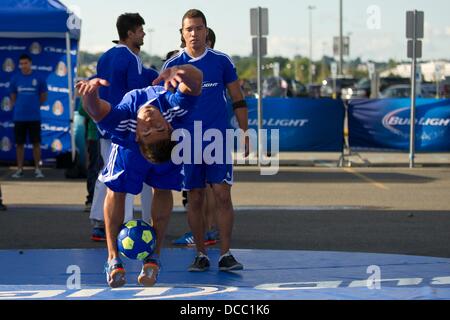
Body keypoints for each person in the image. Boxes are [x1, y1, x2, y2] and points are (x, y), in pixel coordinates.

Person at [76, 63, 203, 288]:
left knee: (162, 188)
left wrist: (90, 97)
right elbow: (196, 80)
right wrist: (90, 95)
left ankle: (153, 258)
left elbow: (97, 110)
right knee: (117, 191)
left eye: (150, 129)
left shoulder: (145, 120)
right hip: (135, 151)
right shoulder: (158, 115)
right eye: (154, 129)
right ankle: (113, 258)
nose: (151, 123)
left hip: (165, 151)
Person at [162, 9, 249, 272]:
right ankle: (200, 253)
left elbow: (237, 97)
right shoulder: (171, 66)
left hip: (217, 139)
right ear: (182, 33)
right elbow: (163, 106)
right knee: (195, 197)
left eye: (198, 28)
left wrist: (244, 132)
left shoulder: (221, 61)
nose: (194, 33)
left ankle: (225, 254)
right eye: (189, 29)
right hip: (186, 141)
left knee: (222, 194)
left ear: (206, 31)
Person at [89, 13, 158, 241]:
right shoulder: (131, 58)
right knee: (124, 176)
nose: (143, 34)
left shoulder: (103, 58)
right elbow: (137, 95)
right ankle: (121, 227)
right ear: (130, 33)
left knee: (106, 174)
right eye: (140, 31)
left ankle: (99, 221)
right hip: (124, 127)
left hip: (103, 124)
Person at [173, 27, 220, 247]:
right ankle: (207, 231)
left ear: (208, 41)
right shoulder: (204, 66)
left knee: (205, 188)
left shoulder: (214, 66)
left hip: (205, 134)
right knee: (202, 188)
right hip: (195, 134)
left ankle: (207, 231)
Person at [9, 54, 47, 179]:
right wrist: (20, 106)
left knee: (36, 143)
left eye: (26, 63)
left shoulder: (38, 78)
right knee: (19, 144)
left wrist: (34, 106)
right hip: (19, 117)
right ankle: (19, 169)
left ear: (30, 63)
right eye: (21, 63)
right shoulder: (15, 78)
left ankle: (38, 169)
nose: (23, 66)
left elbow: (43, 96)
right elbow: (13, 97)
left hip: (34, 117)